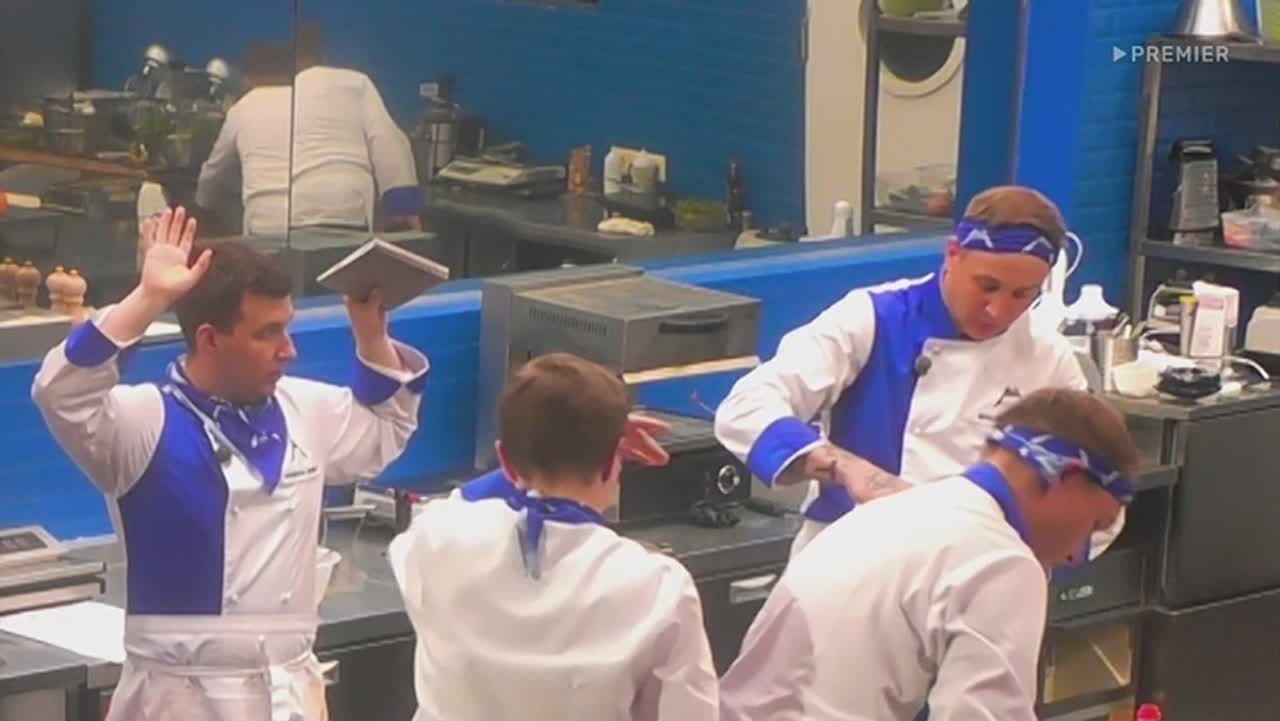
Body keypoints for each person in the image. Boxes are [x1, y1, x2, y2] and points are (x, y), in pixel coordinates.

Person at [31, 207, 428, 721]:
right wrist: (149, 298)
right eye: (268, 333)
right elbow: (60, 392)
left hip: (289, 693)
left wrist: (371, 338)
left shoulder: (303, 407)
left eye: (287, 329)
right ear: (209, 339)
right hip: (178, 699)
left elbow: (384, 429)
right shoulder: (144, 421)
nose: (289, 350)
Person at [715, 185, 1101, 556]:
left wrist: (1031, 548)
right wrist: (843, 466)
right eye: (987, 286)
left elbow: (1096, 486)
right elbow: (747, 406)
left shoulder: (1047, 357)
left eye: (1022, 294)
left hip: (979, 566)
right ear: (953, 253)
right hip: (852, 557)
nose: (999, 311)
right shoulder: (873, 317)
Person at [719, 387, 1141, 721]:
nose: (1075, 557)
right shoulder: (1000, 561)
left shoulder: (898, 512)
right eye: (1094, 524)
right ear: (1066, 478)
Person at [388, 353, 719, 721]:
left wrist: (530, 456)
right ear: (613, 463)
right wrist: (593, 437)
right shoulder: (657, 587)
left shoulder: (436, 540)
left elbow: (459, 500)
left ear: (505, 461)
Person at [196, 25, 420, 235]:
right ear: (322, 54)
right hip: (344, 216)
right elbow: (389, 144)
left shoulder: (247, 105)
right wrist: (403, 210)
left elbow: (212, 176)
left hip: (266, 226)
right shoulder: (354, 83)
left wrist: (202, 206)